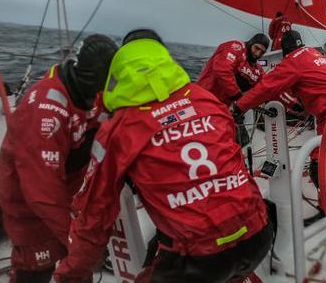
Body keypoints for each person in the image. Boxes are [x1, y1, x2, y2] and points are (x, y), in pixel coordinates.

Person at [54, 36, 273, 283]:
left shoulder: (119, 129)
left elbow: (94, 216)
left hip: (198, 258)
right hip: (259, 234)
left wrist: (70, 275)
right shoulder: (206, 98)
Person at [0, 34, 117, 283]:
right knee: (36, 267)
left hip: (71, 197)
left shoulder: (93, 95)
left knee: (77, 267)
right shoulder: (44, 112)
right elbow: (42, 193)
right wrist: (79, 242)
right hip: (31, 209)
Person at [232, 30, 326, 217]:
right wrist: (296, 105)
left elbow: (266, 88)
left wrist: (238, 107)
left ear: (285, 51)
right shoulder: (312, 53)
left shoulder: (293, 61)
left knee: (322, 166)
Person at [196, 33, 270, 145]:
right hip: (205, 99)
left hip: (225, 108)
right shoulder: (235, 47)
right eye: (256, 48)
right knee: (205, 138)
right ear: (251, 43)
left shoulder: (257, 70)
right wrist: (238, 96)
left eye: (262, 52)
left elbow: (266, 86)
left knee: (241, 140)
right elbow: (222, 70)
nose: (257, 53)